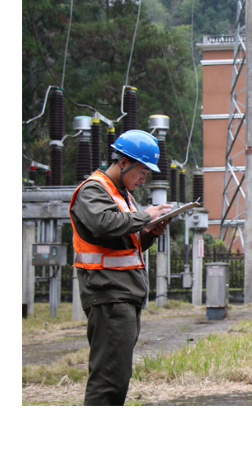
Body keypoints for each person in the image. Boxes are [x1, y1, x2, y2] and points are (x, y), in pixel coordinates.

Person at [69, 129, 174, 406]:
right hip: (108, 295)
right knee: (108, 381)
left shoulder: (123, 196)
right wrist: (145, 215)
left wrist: (150, 231)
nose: (144, 178)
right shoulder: (93, 189)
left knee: (117, 377)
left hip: (123, 296)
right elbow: (103, 225)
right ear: (124, 162)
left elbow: (124, 245)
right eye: (142, 170)